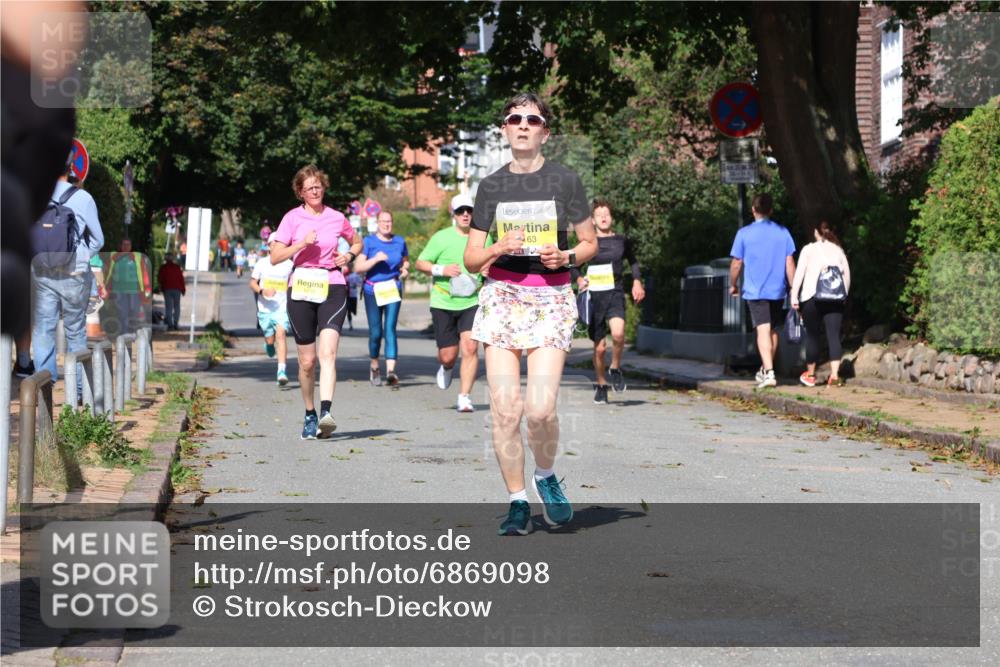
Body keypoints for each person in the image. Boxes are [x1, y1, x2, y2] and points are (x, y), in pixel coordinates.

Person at [463, 92, 598, 536]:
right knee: (505, 410)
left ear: (545, 131)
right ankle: (517, 502)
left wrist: (567, 257)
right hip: (502, 295)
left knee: (539, 411)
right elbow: (470, 258)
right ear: (504, 129)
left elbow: (589, 243)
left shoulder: (566, 181)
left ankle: (545, 476)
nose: (523, 124)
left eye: (532, 119)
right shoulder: (491, 186)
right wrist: (497, 247)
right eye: (514, 118)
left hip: (551, 298)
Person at [269, 164, 361, 440]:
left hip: (332, 284)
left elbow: (356, 241)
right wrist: (300, 245)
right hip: (301, 288)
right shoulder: (291, 219)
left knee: (328, 353)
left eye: (318, 185)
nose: (315, 190)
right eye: (309, 187)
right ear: (300, 192)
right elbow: (275, 257)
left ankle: (326, 413)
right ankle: (309, 412)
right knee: (307, 362)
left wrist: (349, 255)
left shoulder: (336, 217)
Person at [30, 158, 104, 385]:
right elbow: (99, 240)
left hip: (42, 272)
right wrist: (80, 254)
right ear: (70, 170)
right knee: (75, 331)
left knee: (43, 328)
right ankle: (79, 390)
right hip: (74, 273)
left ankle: (45, 387)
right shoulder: (84, 198)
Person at [573, 198, 645, 405]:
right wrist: (579, 279)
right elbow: (573, 264)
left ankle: (615, 367)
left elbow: (633, 261)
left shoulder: (621, 240)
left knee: (619, 334)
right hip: (595, 296)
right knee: (600, 347)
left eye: (607, 214)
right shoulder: (588, 243)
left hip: (615, 292)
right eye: (599, 215)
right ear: (593, 221)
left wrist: (637, 282)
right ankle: (601, 383)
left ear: (611, 218)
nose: (604, 217)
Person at [415, 192, 483, 413]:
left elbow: (491, 259)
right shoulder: (441, 238)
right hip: (444, 301)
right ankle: (446, 367)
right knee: (448, 355)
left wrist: (489, 267)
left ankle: (465, 396)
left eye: (469, 210)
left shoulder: (483, 237)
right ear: (452, 214)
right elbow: (420, 263)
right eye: (460, 211)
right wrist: (441, 270)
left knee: (471, 347)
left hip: (472, 301)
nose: (465, 215)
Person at [729, 193, 796, 390]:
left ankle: (769, 372)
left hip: (755, 290)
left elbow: (736, 263)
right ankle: (766, 369)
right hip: (778, 290)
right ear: (771, 210)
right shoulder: (783, 232)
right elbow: (789, 262)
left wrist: (733, 284)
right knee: (772, 330)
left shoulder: (744, 234)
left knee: (763, 330)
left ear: (753, 210)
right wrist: (794, 287)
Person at [791, 220, 851, 387]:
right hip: (835, 298)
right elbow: (846, 276)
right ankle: (835, 375)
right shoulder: (838, 250)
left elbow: (799, 274)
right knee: (833, 335)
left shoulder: (808, 249)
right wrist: (843, 295)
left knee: (812, 335)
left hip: (811, 297)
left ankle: (810, 375)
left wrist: (794, 296)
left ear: (816, 231)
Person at [354, 211, 410, 387]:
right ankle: (374, 366)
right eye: (383, 221)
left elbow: (405, 261)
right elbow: (358, 267)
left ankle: (391, 371)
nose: (387, 224)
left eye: (389, 221)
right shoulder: (369, 242)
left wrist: (405, 269)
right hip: (373, 290)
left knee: (390, 329)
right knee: (376, 332)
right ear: (377, 223)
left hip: (393, 288)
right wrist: (375, 259)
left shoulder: (399, 241)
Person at [250, 243, 294, 386]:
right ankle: (269, 344)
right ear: (269, 247)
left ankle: (281, 371)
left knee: (281, 334)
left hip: (281, 307)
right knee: (270, 339)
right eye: (274, 243)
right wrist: (263, 291)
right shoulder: (261, 263)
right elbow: (252, 283)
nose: (278, 246)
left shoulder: (289, 264)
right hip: (265, 309)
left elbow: (294, 282)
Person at [107, 238, 153, 336]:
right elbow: (113, 260)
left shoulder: (136, 256)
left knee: (134, 311)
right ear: (120, 245)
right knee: (122, 313)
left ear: (131, 246)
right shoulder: (114, 255)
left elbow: (144, 273)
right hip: (119, 290)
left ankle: (133, 331)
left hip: (135, 290)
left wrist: (146, 288)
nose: (126, 246)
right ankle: (124, 334)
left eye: (128, 244)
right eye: (124, 244)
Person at [157, 253, 185, 330]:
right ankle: (175, 323)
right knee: (177, 306)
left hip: (167, 289)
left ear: (165, 259)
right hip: (177, 289)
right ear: (172, 259)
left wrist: (160, 288)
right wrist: (183, 289)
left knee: (169, 307)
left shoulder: (163, 268)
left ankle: (170, 325)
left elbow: (160, 279)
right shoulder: (177, 267)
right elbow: (181, 279)